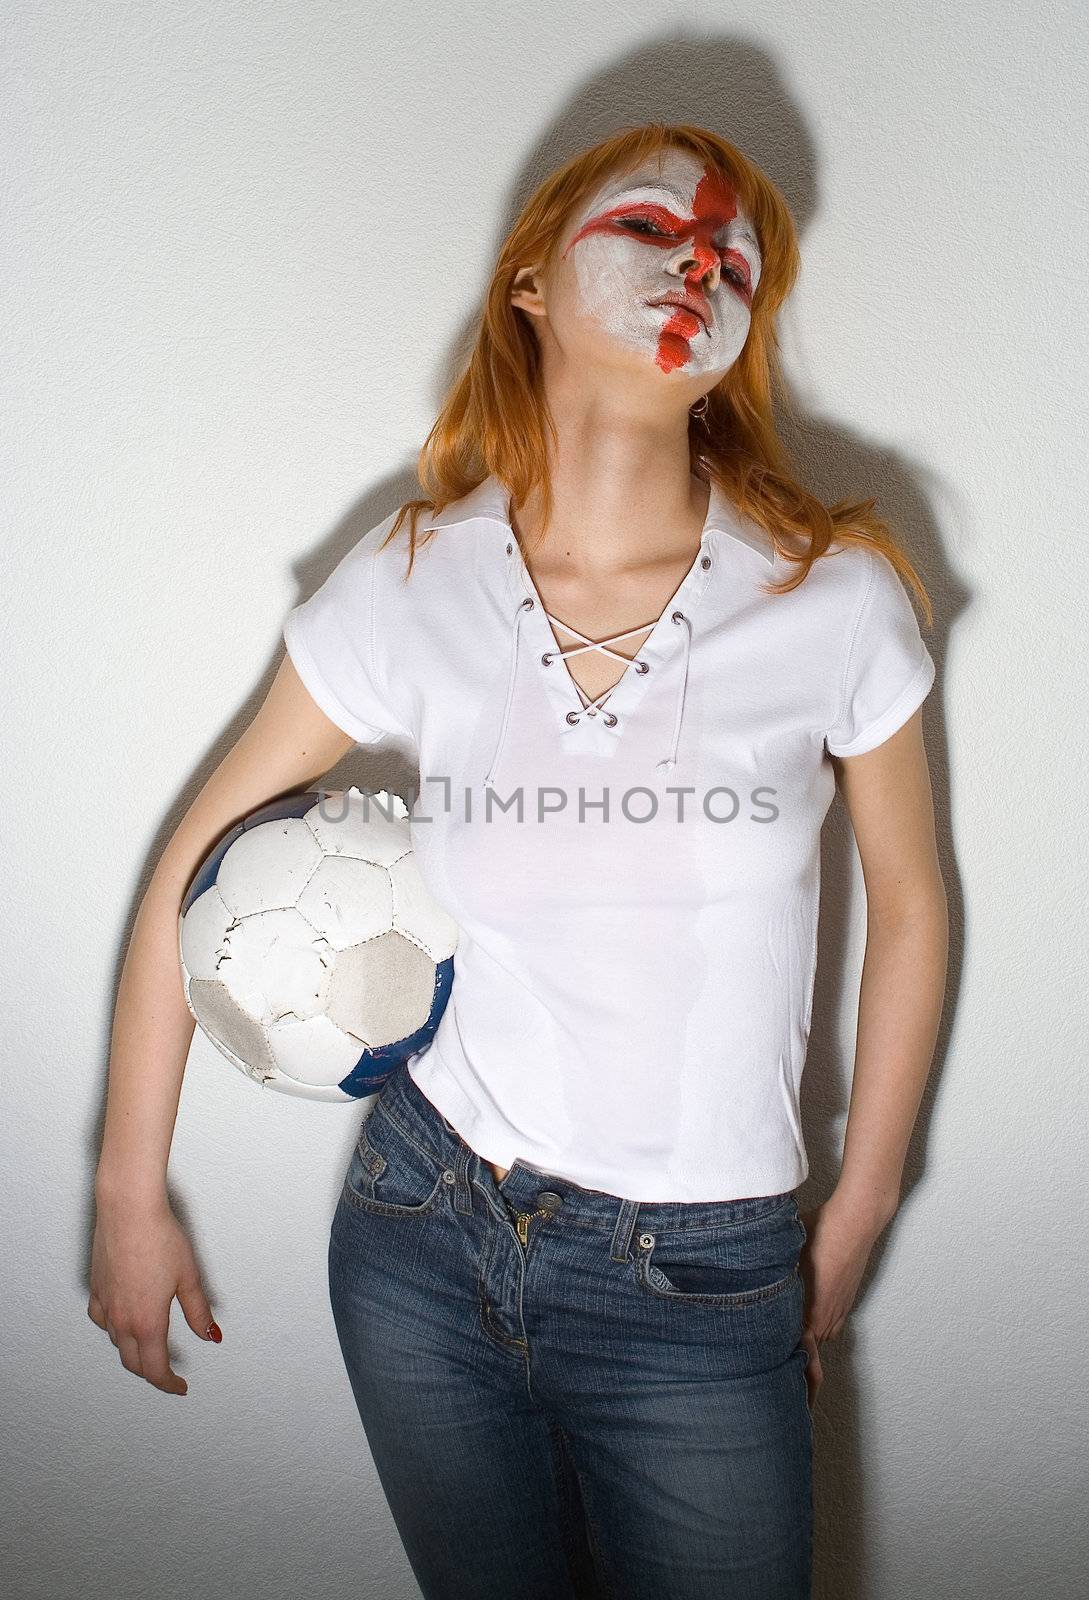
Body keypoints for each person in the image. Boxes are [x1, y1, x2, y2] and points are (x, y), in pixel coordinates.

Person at [89, 122, 948, 1599]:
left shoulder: (836, 596)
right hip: (422, 1238)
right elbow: (197, 851)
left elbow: (915, 911)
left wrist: (858, 1210)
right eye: (648, 228)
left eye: (731, 254)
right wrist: (126, 1190)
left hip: (701, 1282)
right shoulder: (414, 575)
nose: (699, 258)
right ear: (531, 284)